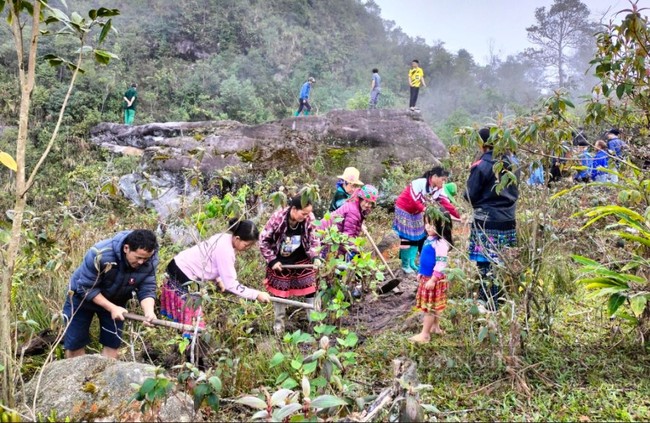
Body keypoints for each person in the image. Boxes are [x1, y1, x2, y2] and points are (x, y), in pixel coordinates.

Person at [160, 218, 271, 334]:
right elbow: (231, 284)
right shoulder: (226, 251)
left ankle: (185, 337)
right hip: (183, 272)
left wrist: (218, 279)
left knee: (190, 313)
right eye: (247, 245)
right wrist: (256, 294)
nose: (247, 248)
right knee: (194, 318)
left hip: (176, 265)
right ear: (237, 238)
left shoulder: (223, 237)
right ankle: (191, 342)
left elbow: (210, 260)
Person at [63, 230, 158, 359]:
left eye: (145, 258)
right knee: (75, 343)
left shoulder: (150, 260)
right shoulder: (100, 253)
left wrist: (149, 312)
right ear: (126, 248)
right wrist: (111, 308)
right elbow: (86, 287)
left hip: (116, 300)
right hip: (81, 298)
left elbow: (147, 287)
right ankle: (76, 377)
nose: (142, 262)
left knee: (113, 344)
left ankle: (104, 377)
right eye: (138, 257)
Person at [465, 127, 520, 311]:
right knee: (500, 262)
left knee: (485, 263)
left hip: (486, 221)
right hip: (508, 219)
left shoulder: (482, 165)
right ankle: (492, 298)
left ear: (482, 143)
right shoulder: (513, 162)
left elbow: (470, 195)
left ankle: (489, 302)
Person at [259, 195, 321, 334]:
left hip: (302, 259)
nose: (306, 216)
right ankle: (278, 328)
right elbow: (263, 241)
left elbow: (314, 239)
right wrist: (272, 260)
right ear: (293, 209)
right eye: (303, 213)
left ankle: (316, 325)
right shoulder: (278, 218)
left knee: (311, 290)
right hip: (281, 261)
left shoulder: (309, 218)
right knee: (280, 294)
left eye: (308, 213)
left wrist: (315, 256)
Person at [393, 166, 459, 274]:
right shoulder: (419, 183)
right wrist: (427, 210)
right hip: (404, 209)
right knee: (406, 237)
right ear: (434, 177)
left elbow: (445, 203)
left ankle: (412, 262)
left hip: (416, 211)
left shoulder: (438, 189)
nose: (443, 182)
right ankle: (405, 264)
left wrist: (458, 215)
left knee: (417, 236)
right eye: (442, 179)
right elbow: (415, 201)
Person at [409, 210, 453, 343]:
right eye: (427, 223)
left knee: (430, 308)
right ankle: (435, 327)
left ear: (442, 225)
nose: (428, 226)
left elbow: (441, 263)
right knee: (434, 305)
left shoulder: (440, 244)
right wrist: (421, 273)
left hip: (433, 279)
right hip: (427, 277)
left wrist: (433, 279)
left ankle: (425, 334)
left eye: (432, 224)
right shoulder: (430, 239)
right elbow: (426, 259)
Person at [321, 184, 378, 259]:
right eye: (366, 201)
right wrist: (355, 250)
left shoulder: (356, 206)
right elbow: (348, 237)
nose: (367, 205)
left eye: (370, 203)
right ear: (360, 198)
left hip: (332, 237)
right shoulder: (353, 211)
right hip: (324, 236)